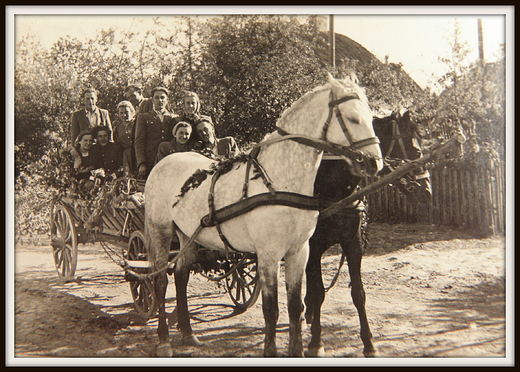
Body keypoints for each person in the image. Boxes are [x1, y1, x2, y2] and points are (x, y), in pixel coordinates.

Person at [134, 86, 179, 180]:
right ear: (152, 100)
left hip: (169, 160)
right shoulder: (143, 117)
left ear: (167, 100)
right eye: (157, 97)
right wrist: (142, 163)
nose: (160, 100)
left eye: (162, 97)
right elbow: (139, 141)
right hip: (151, 160)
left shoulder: (174, 118)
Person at [113, 100, 137, 177]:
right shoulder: (118, 127)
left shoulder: (137, 124)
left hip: (138, 152)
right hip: (126, 155)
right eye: (121, 113)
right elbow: (117, 143)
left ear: (132, 112)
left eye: (126, 112)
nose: (124, 115)